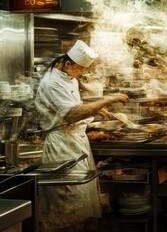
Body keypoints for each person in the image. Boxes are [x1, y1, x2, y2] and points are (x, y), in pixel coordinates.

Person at [34, 40, 129, 231]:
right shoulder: (52, 83)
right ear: (67, 63)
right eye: (81, 68)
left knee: (84, 204)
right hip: (62, 148)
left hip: (76, 144)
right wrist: (107, 100)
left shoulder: (70, 77)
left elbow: (74, 106)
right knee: (68, 204)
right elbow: (72, 114)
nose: (83, 73)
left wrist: (101, 112)